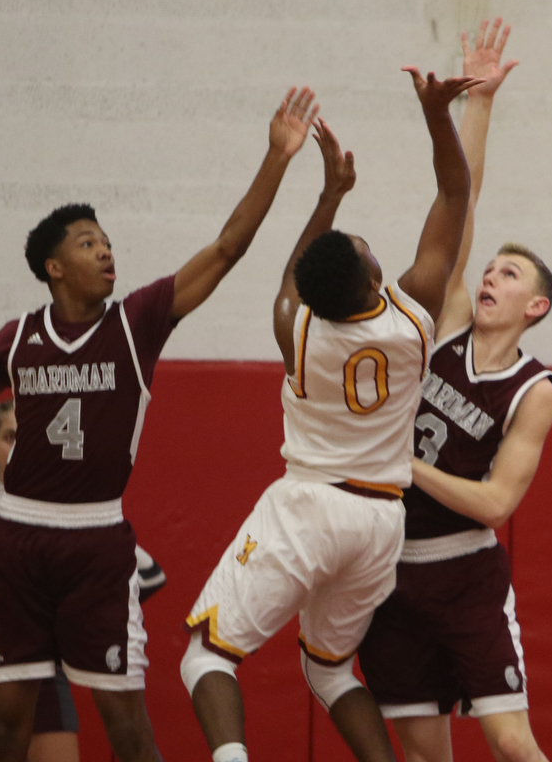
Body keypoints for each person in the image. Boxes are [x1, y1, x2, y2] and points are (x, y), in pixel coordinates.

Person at [0, 87, 319, 762]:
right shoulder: (17, 339)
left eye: (107, 241)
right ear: (54, 266)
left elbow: (225, 249)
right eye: (88, 243)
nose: (106, 252)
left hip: (96, 540)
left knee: (127, 727)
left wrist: (276, 158)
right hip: (15, 537)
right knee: (5, 724)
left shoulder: (136, 323)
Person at [180, 65, 480, 762]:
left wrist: (327, 197)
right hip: (380, 522)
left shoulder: (297, 329)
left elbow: (290, 277)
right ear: (375, 274)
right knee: (330, 668)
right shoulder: (416, 314)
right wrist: (437, 115)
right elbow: (455, 191)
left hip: (311, 508)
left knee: (206, 659)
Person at [358, 19, 552, 762]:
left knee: (511, 743)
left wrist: (401, 464)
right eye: (490, 270)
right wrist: (480, 105)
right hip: (389, 571)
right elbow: (460, 207)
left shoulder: (534, 388)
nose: (488, 278)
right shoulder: (442, 326)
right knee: (421, 756)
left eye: (509, 275)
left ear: (535, 307)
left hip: (465, 575)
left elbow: (497, 503)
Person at [0, 401, 166, 762]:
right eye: (9, 436)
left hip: (47, 674)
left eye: (26, 436)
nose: (17, 447)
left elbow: (151, 574)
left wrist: (76, 621)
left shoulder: (69, 511)